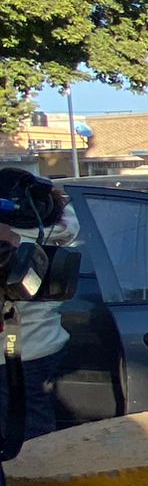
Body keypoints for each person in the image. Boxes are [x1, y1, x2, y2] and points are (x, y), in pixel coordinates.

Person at [0, 176, 78, 444]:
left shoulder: (8, 242)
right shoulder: (61, 226)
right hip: (45, 346)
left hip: (7, 357)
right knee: (37, 434)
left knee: (16, 440)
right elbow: (60, 205)